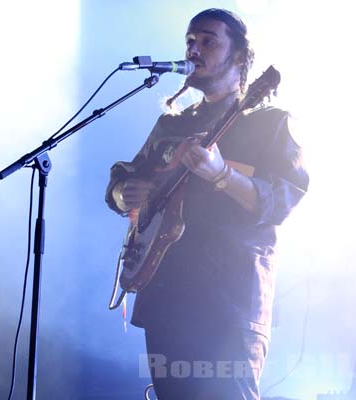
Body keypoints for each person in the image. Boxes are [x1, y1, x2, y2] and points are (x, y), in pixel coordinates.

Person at [105, 8, 309, 400]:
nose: (194, 49)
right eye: (190, 42)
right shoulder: (172, 125)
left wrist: (222, 175)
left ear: (238, 56)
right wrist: (123, 192)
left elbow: (283, 199)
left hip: (229, 300)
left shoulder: (269, 122)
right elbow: (126, 174)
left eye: (208, 41)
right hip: (165, 292)